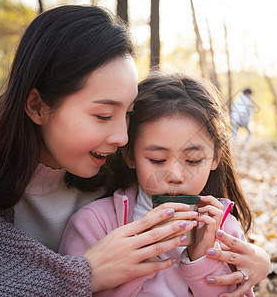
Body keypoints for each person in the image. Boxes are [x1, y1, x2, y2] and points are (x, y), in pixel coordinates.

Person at [0, 5, 270, 296]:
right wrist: (85, 275)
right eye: (104, 115)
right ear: (37, 106)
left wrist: (253, 260)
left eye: (128, 114)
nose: (122, 137)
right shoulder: (96, 216)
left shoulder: (122, 170)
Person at [59, 72, 256, 296]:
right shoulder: (95, 224)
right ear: (130, 156)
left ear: (215, 158)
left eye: (193, 160)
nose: (175, 175)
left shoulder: (224, 229)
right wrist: (138, 260)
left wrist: (202, 259)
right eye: (157, 160)